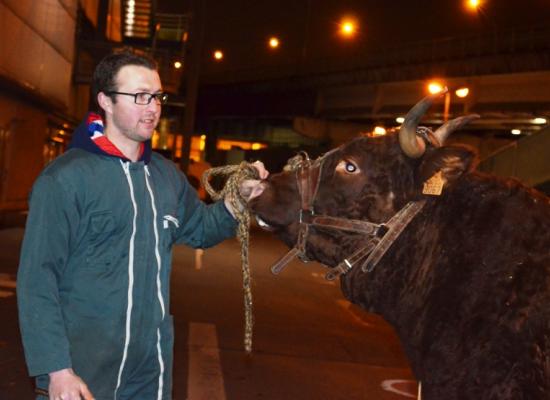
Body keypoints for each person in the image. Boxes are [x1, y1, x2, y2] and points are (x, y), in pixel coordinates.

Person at [17, 51, 267, 400]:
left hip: (149, 372)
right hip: (81, 373)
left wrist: (236, 199)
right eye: (139, 97)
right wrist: (56, 369)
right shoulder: (65, 179)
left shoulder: (165, 176)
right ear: (105, 100)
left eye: (157, 97)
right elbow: (37, 281)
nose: (152, 108)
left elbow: (200, 228)